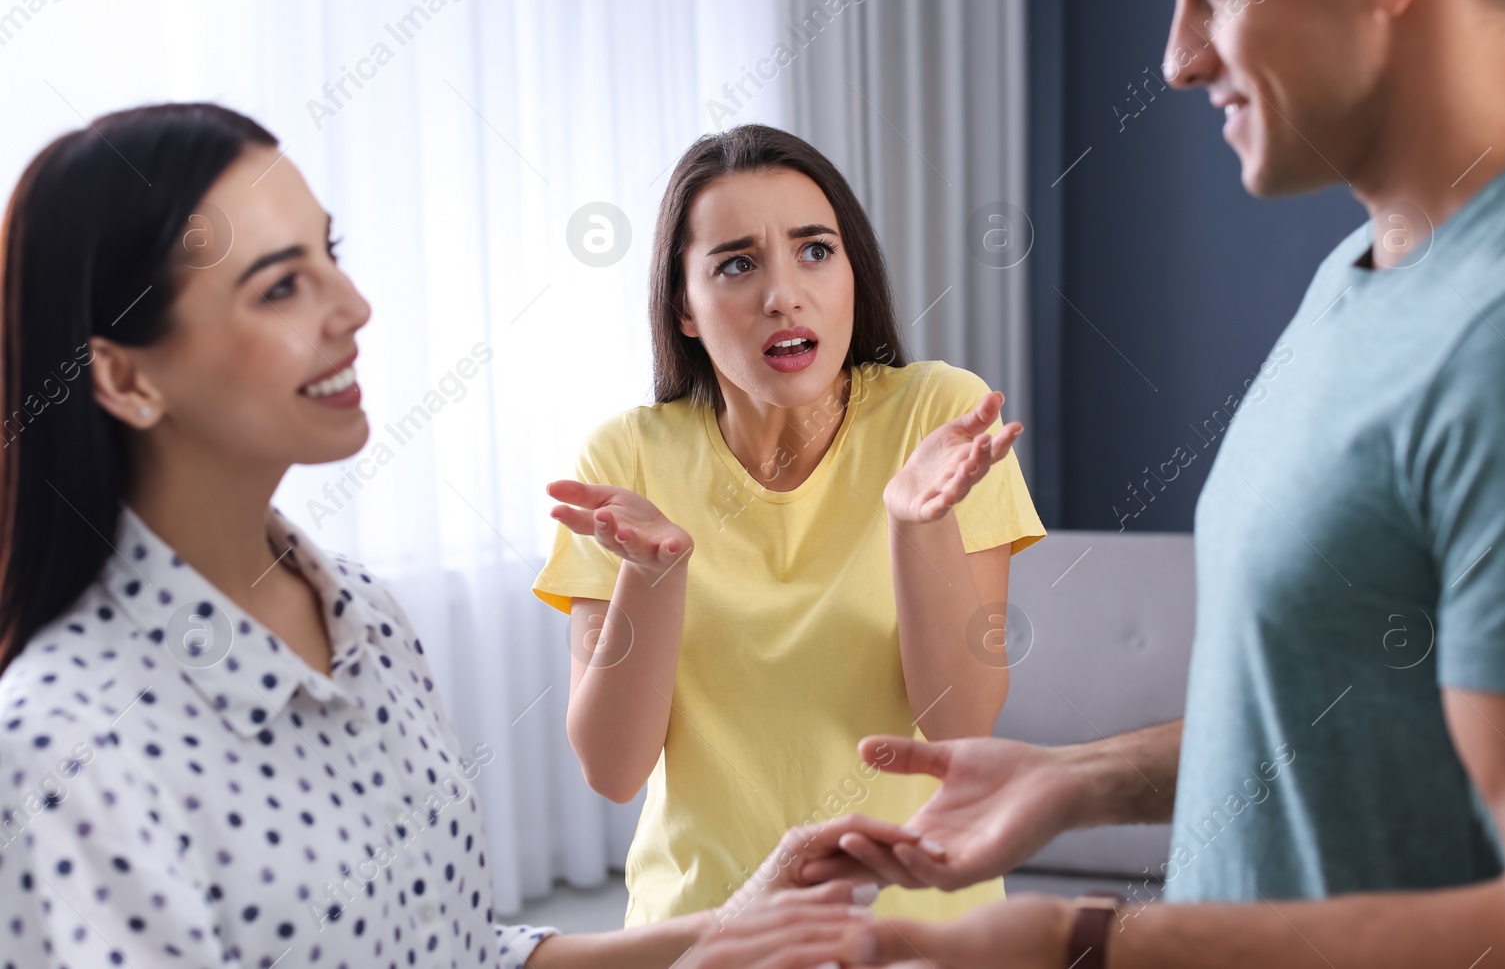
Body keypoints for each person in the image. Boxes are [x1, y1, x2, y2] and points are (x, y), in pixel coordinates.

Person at [804, 0, 1505, 965]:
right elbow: (1345, 705)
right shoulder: (1363, 273)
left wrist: (1080, 943)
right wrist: (1072, 779)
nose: (1177, 60)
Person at [0, 102, 882, 969]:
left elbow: (447, 949)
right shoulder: (59, 748)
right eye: (279, 285)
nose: (353, 306)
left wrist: (727, 932)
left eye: (330, 254)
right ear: (123, 376)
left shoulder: (364, 617)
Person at [533, 124, 1045, 925]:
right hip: (706, 932)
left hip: (919, 932)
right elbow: (613, 767)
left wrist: (916, 527)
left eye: (815, 250)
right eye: (736, 264)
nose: (783, 293)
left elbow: (961, 720)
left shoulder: (938, 416)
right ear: (685, 308)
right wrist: (653, 571)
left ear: (851, 271)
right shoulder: (625, 455)